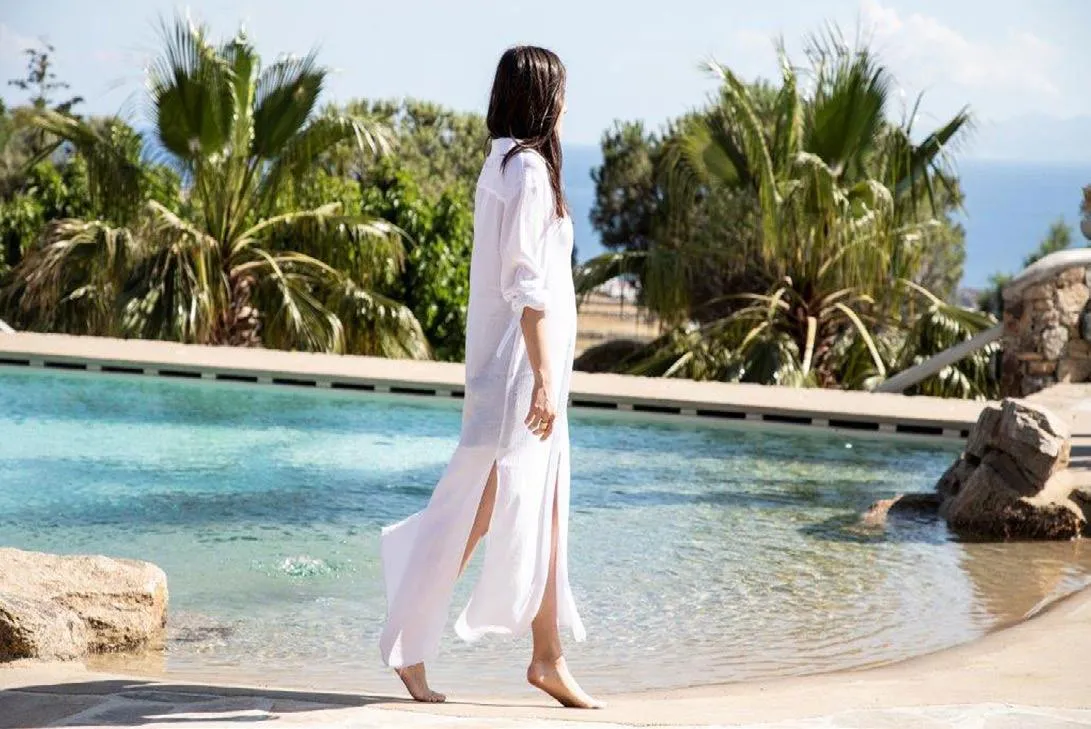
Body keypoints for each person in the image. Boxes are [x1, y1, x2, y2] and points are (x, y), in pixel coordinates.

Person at [377, 46, 601, 710]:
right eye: (560, 92)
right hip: (520, 376)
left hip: (527, 372)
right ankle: (409, 644)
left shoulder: (505, 163)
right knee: (472, 515)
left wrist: (545, 376)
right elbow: (526, 287)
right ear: (542, 98)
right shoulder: (526, 171)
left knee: (544, 509)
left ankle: (546, 657)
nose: (566, 103)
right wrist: (539, 380)